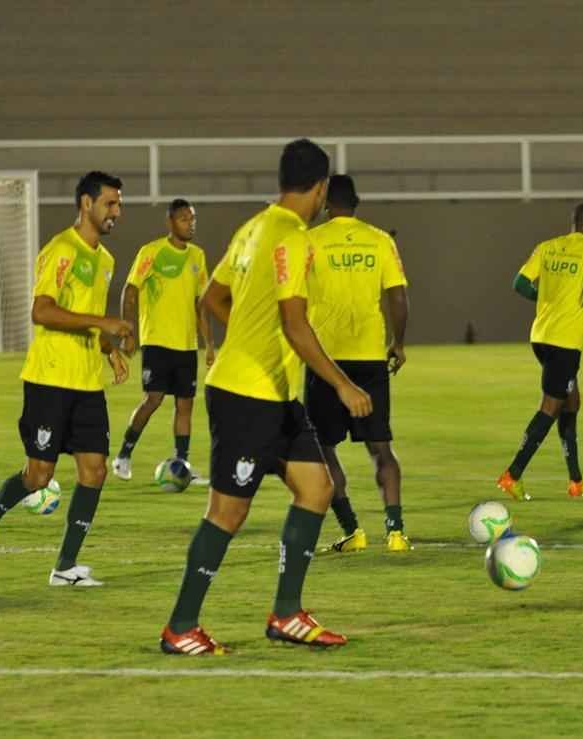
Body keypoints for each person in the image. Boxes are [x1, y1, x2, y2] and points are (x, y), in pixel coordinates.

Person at [158, 139, 372, 656]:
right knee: (227, 513)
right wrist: (342, 384)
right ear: (321, 187)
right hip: (245, 395)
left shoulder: (253, 228)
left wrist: (248, 337)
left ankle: (287, 615)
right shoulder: (294, 238)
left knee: (316, 488)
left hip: (274, 393)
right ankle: (180, 626)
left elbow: (213, 297)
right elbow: (294, 324)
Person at [0, 171, 132, 586]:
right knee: (38, 476)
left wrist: (108, 350)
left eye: (119, 203)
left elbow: (86, 315)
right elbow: (42, 311)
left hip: (87, 383)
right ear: (87, 204)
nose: (117, 211)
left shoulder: (105, 260)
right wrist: (104, 323)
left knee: (95, 472)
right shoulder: (61, 250)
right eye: (110, 203)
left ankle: (65, 567)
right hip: (49, 380)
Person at [304, 175, 411, 553]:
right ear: (356, 202)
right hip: (369, 358)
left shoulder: (310, 240)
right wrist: (398, 343)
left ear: (325, 203)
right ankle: (396, 533)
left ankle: (352, 530)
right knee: (381, 448)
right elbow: (398, 297)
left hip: (325, 360)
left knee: (322, 449)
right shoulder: (380, 240)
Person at [496, 203, 583, 502]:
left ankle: (576, 481)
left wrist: (547, 299)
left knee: (571, 401)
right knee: (550, 406)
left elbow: (519, 284)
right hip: (565, 342)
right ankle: (512, 475)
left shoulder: (547, 247)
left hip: (541, 336)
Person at [111, 198, 212, 485]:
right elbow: (131, 290)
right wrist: (128, 332)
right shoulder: (151, 252)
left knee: (185, 405)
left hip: (186, 345)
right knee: (153, 400)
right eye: (184, 219)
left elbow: (201, 304)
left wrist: (209, 345)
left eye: (192, 219)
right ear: (170, 222)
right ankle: (123, 455)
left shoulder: (197, 256)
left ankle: (182, 465)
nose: (190, 224)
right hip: (157, 341)